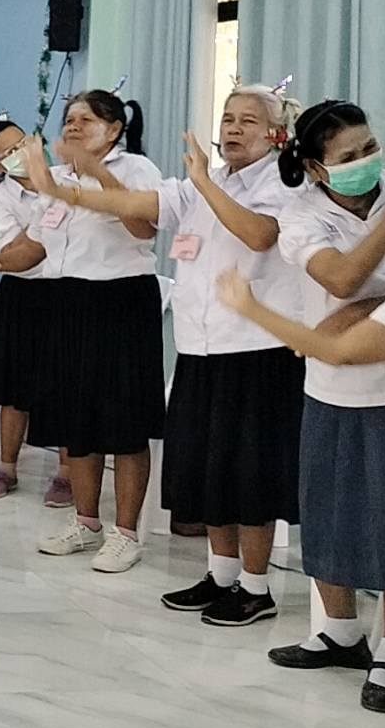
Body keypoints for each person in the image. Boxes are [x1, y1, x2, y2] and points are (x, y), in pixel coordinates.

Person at [28, 85, 306, 618]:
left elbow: (258, 235)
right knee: (208, 468)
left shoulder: (282, 182)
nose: (232, 128)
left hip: (256, 346)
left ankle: (256, 587)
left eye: (248, 121)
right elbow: (131, 205)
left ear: (276, 134)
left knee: (249, 474)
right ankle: (220, 574)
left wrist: (203, 181)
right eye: (227, 118)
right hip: (199, 345)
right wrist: (60, 189)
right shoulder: (206, 182)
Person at [218, 100, 385, 715]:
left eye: (370, 147)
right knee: (329, 513)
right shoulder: (302, 215)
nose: (367, 161)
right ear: (318, 170)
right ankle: (339, 633)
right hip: (332, 388)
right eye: (349, 156)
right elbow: (341, 279)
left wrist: (365, 309)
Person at [15, 90, 163, 574]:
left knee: (124, 421)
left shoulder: (137, 169)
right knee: (74, 419)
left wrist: (95, 171)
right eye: (69, 119)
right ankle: (86, 522)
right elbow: (37, 243)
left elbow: (144, 228)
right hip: (65, 300)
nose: (74, 126)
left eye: (86, 119)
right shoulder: (56, 179)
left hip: (121, 300)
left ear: (114, 129)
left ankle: (126, 534)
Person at [0, 119, 72, 506]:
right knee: (13, 387)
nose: (24, 152)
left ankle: (66, 473)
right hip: (24, 294)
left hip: (68, 290)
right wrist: (49, 222)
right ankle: (6, 468)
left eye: (25, 142)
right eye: (11, 151)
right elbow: (21, 254)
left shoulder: (67, 180)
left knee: (65, 385)